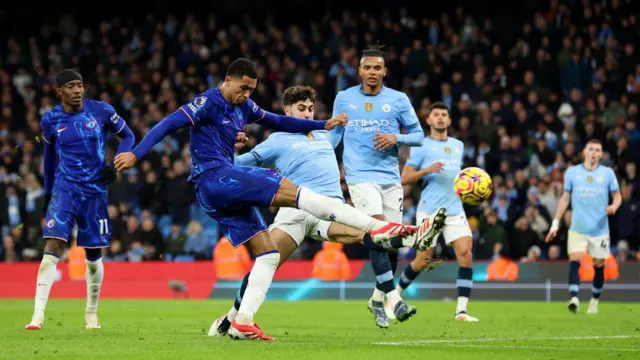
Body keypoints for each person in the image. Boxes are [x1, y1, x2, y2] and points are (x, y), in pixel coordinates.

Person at [114, 59, 426, 340]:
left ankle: (241, 320)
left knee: (267, 254)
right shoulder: (207, 102)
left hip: (237, 193)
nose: (246, 94)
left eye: (251, 89)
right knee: (290, 189)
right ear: (229, 79)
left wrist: (322, 125)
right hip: (216, 178)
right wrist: (136, 153)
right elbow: (168, 124)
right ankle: (381, 228)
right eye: (243, 87)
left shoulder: (247, 109)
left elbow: (279, 120)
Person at [207, 85, 428, 337]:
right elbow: (236, 164)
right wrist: (228, 146)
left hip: (331, 211)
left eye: (311, 109)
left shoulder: (324, 137)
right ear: (287, 110)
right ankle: (235, 316)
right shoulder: (277, 139)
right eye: (301, 109)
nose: (307, 114)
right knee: (268, 261)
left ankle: (401, 268)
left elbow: (349, 127)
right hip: (296, 212)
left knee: (369, 235)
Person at [331, 44, 442, 328]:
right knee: (379, 231)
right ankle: (395, 300)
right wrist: (320, 155)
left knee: (390, 244)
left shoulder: (399, 99)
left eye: (377, 68)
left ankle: (376, 299)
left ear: (384, 72)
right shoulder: (344, 98)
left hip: (390, 179)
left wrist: (396, 138)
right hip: (359, 176)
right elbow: (334, 137)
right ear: (359, 71)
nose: (372, 72)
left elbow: (418, 136)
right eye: (367, 67)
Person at [25, 69, 135, 330]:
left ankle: (91, 313)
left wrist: (115, 163)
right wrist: (49, 191)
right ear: (59, 91)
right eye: (71, 86)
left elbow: (128, 136)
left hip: (95, 191)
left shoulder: (102, 111)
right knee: (52, 245)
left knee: (93, 254)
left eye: (80, 85)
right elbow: (49, 157)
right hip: (65, 188)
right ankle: (37, 316)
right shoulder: (50, 120)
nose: (77, 90)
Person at [398, 102, 479, 322]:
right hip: (429, 210)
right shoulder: (421, 145)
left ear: (450, 120)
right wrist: (427, 170)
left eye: (444, 114)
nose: (441, 118)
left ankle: (461, 311)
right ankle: (396, 294)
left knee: (465, 253)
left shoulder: (458, 145)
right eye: (436, 114)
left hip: (454, 209)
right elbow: (405, 177)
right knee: (423, 260)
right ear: (429, 120)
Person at [545, 139, 621, 314]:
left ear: (601, 154)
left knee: (599, 264)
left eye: (598, 150)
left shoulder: (607, 173)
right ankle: (574, 298)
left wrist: (614, 206)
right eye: (591, 149)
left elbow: (617, 196)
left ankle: (594, 301)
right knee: (575, 259)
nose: (594, 152)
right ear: (584, 152)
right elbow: (565, 198)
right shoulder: (572, 173)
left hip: (600, 228)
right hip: (578, 227)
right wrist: (555, 223)